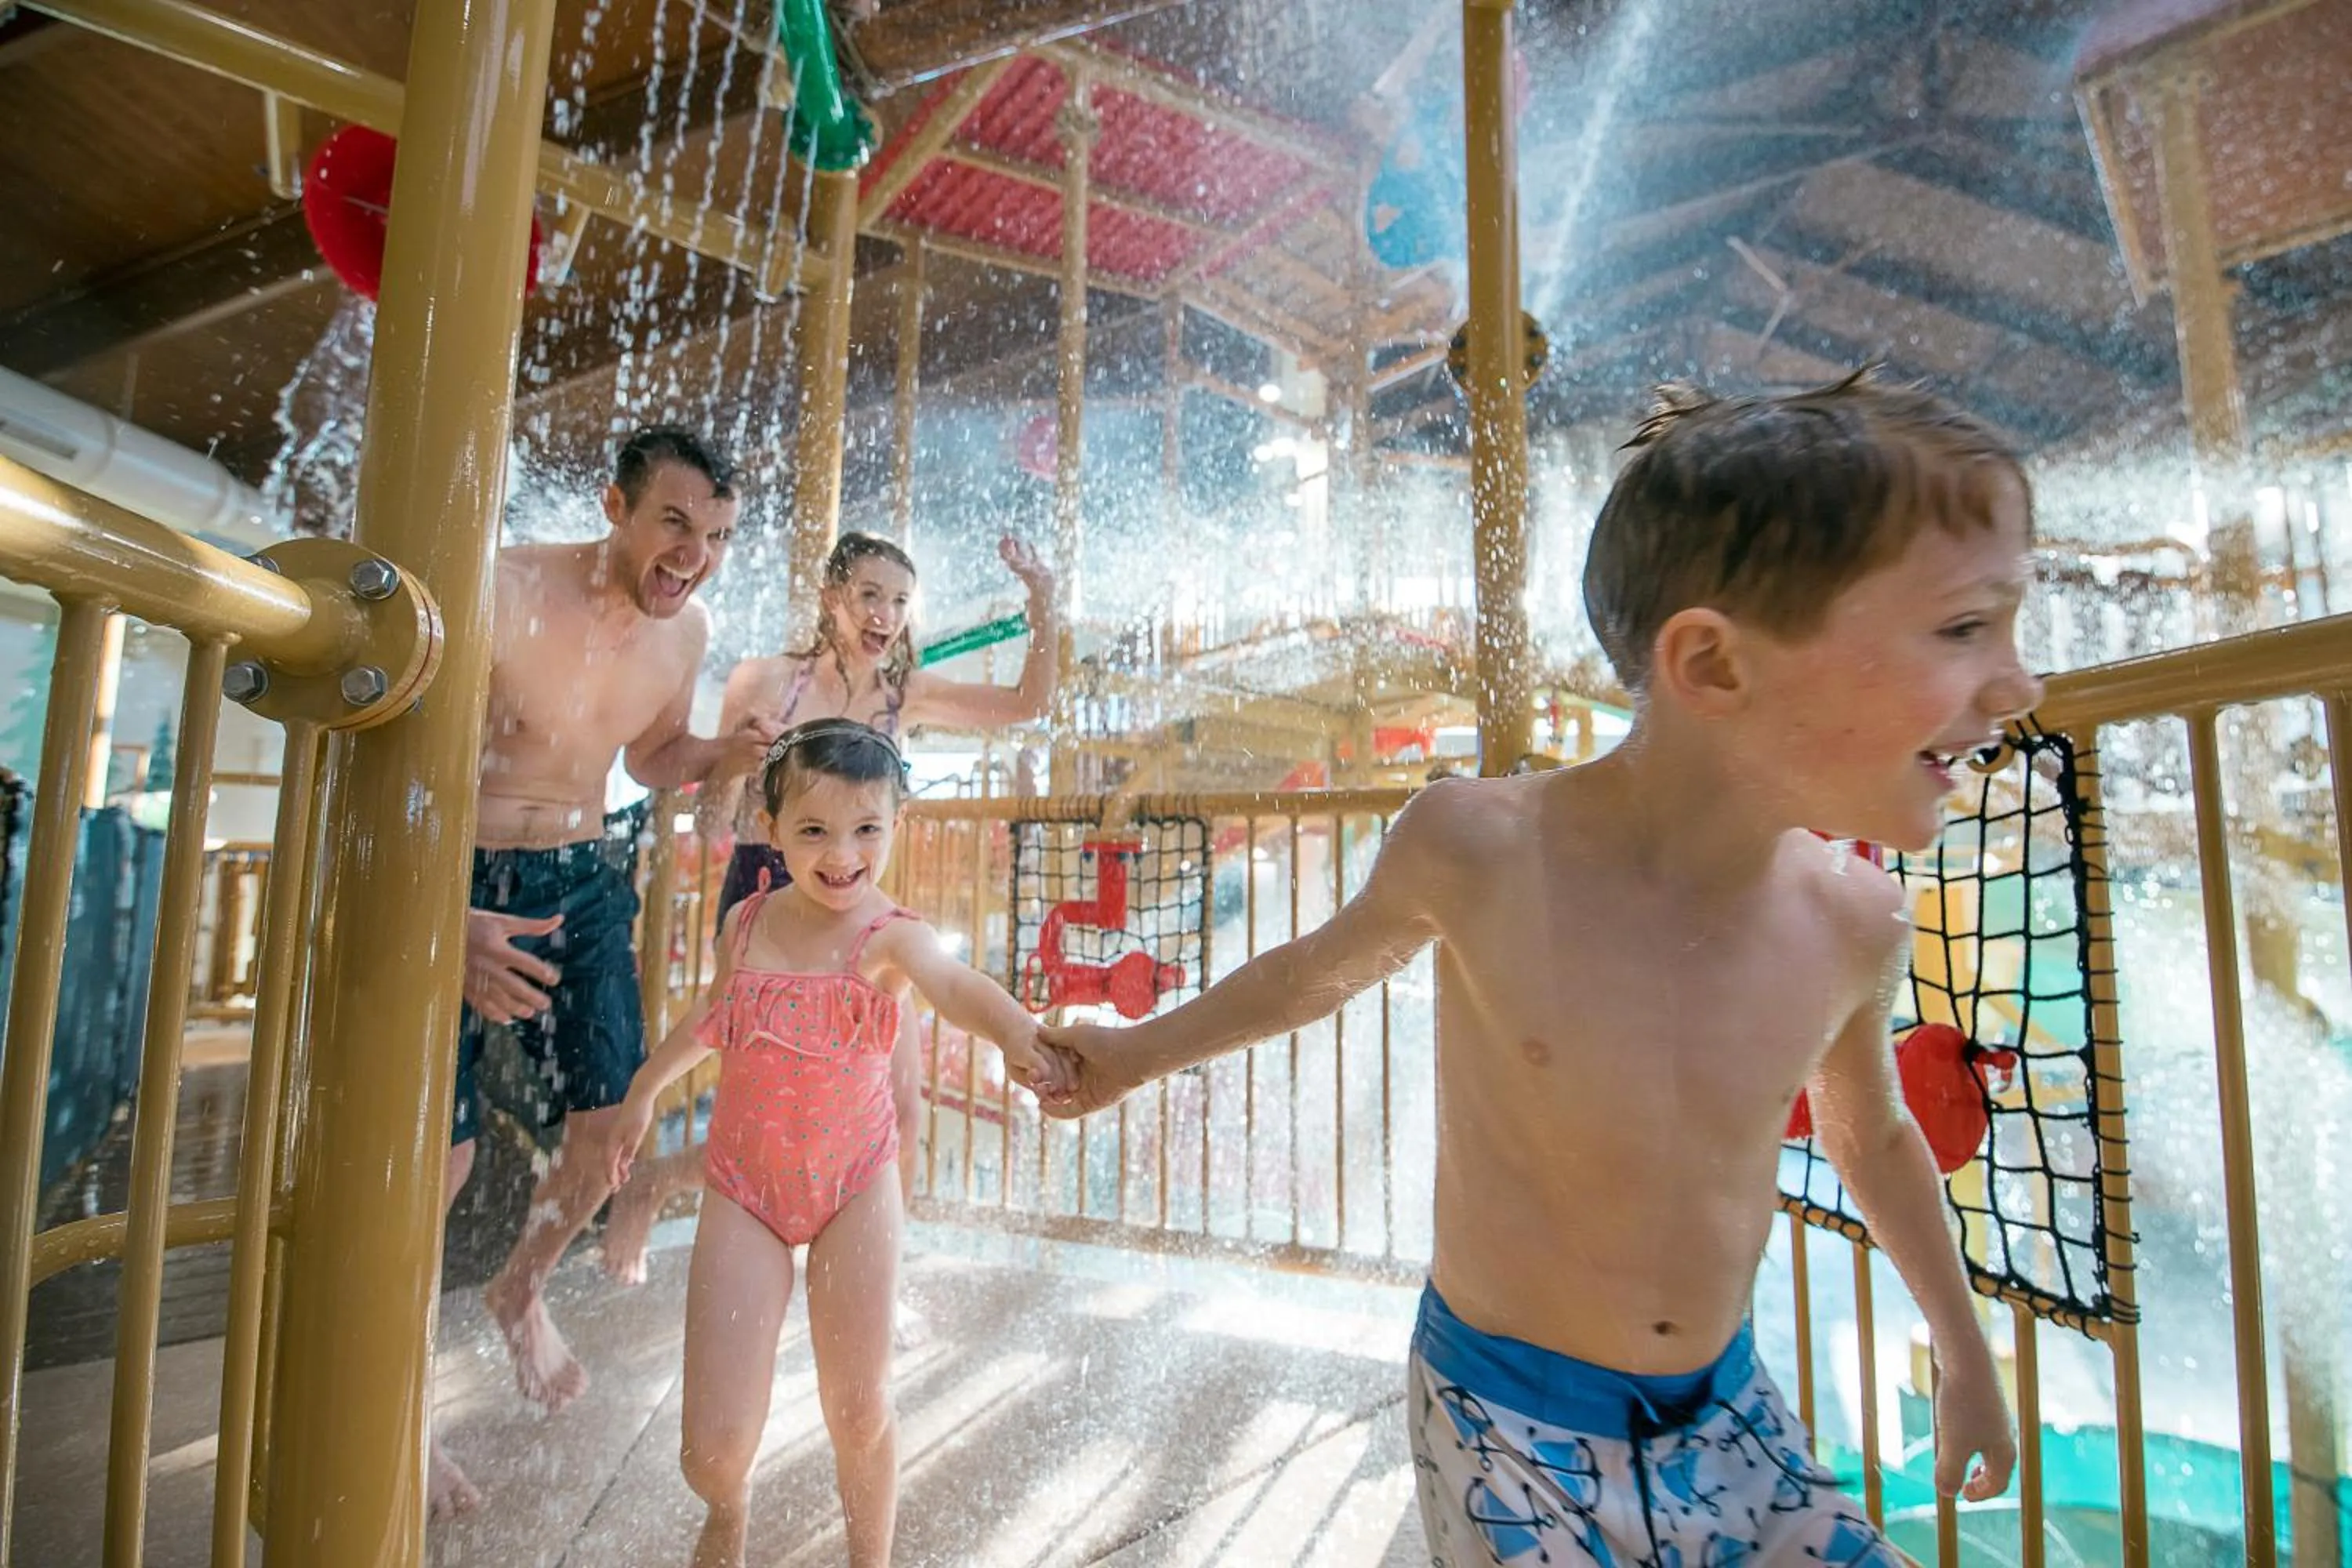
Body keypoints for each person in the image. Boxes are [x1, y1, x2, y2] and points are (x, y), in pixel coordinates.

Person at [1040, 371, 2030, 1565]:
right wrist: (1132, 1053)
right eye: (1965, 628)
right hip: (1502, 1423)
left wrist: (1965, 1354)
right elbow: (1314, 974)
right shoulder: (1481, 848)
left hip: (1723, 1410)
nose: (2021, 685)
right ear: (1711, 665)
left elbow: (1871, 1139)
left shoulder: (1857, 921)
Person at [607, 719, 1069, 1568]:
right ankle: (730, 1505)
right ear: (771, 825)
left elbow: (955, 984)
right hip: (747, 1187)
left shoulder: (890, 936)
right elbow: (715, 1018)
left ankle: (870, 1557)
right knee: (708, 1449)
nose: (841, 853)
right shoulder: (745, 922)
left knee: (857, 1408)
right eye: (814, 829)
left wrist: (1017, 1034)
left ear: (895, 825)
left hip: (855, 1183)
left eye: (867, 829)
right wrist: (643, 1091)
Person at [434, 426, 776, 1517]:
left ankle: (520, 1286)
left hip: (580, 875)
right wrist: (448, 920)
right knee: (435, 1164)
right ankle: (395, 1417)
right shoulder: (501, 588)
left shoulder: (690, 634)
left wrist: (724, 758)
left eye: (716, 534)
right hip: (456, 871)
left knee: (613, 1129)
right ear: (614, 505)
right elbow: (392, 768)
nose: (694, 554)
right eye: (674, 522)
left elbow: (648, 757)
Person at [601, 528, 1058, 1288]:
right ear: (831, 597)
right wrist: (738, 765)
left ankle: (878, 1277)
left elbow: (1028, 702)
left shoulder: (903, 693)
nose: (885, 614)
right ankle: (657, 1185)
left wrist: (1042, 601)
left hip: (862, 910)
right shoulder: (766, 679)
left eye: (901, 602)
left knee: (899, 1104)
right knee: (771, 1112)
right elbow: (715, 819)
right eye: (871, 594)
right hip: (763, 892)